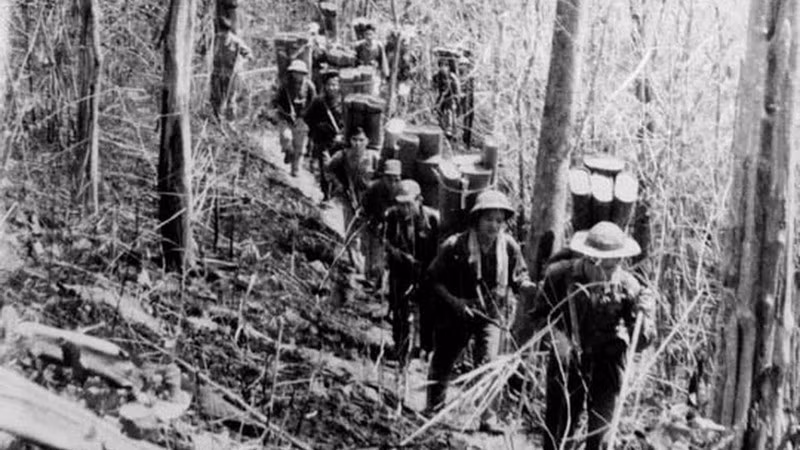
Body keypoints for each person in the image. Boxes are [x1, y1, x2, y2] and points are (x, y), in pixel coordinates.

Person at [514, 221, 657, 450]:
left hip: (608, 361)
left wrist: (645, 316)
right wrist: (558, 339)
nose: (611, 273)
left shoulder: (629, 286)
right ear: (590, 259)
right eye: (606, 266)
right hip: (567, 360)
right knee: (559, 430)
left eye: (617, 264)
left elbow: (641, 342)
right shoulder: (559, 275)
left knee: (601, 432)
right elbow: (540, 316)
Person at [426, 190, 536, 432]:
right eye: (489, 219)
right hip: (457, 310)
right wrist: (456, 302)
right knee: (444, 358)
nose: (494, 225)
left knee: (491, 363)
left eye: (499, 220)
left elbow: (519, 278)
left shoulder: (508, 247)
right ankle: (433, 408)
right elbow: (434, 279)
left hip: (492, 313)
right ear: (477, 220)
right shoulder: (455, 245)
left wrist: (529, 288)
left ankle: (488, 418)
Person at [384, 180, 440, 366]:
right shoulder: (392, 217)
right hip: (401, 271)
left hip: (427, 272)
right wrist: (400, 256)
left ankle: (425, 351)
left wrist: (428, 271)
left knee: (428, 312)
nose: (404, 209)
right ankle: (400, 349)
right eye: (400, 204)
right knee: (399, 310)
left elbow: (441, 251)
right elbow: (387, 241)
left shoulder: (433, 220)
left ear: (419, 200)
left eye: (408, 204)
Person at [361, 159, 403, 287]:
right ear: (383, 177)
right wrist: (373, 222)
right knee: (373, 253)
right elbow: (365, 207)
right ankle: (372, 280)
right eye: (389, 179)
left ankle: (386, 282)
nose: (393, 183)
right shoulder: (373, 188)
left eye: (396, 179)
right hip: (374, 224)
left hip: (394, 226)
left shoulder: (402, 189)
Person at [271, 59, 316, 176]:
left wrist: (305, 117)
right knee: (286, 138)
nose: (298, 75)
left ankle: (295, 169)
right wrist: (279, 110)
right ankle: (288, 151)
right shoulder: (285, 85)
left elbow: (314, 103)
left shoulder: (309, 86)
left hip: (302, 120)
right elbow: (276, 100)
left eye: (300, 72)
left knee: (299, 147)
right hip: (286, 117)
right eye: (295, 72)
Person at [305, 69, 344, 201]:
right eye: (329, 85)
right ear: (325, 86)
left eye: (335, 85)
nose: (332, 88)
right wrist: (318, 130)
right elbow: (308, 118)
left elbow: (348, 123)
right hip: (323, 142)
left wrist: (342, 135)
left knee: (338, 169)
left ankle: (335, 195)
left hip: (340, 143)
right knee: (325, 168)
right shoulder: (319, 102)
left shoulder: (343, 103)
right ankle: (326, 195)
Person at [354, 22, 389, 95]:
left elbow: (383, 61)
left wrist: (384, 76)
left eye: (370, 34)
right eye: (366, 34)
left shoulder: (378, 46)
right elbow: (355, 60)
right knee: (362, 93)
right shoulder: (359, 45)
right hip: (362, 73)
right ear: (364, 35)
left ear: (374, 35)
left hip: (374, 73)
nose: (368, 37)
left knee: (374, 92)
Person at [432, 58, 461, 139]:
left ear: (448, 67)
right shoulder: (437, 76)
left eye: (445, 65)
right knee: (438, 110)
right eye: (441, 65)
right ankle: (441, 126)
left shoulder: (452, 77)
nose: (443, 67)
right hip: (442, 95)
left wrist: (457, 99)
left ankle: (450, 130)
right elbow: (434, 86)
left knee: (450, 112)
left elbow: (456, 89)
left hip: (451, 96)